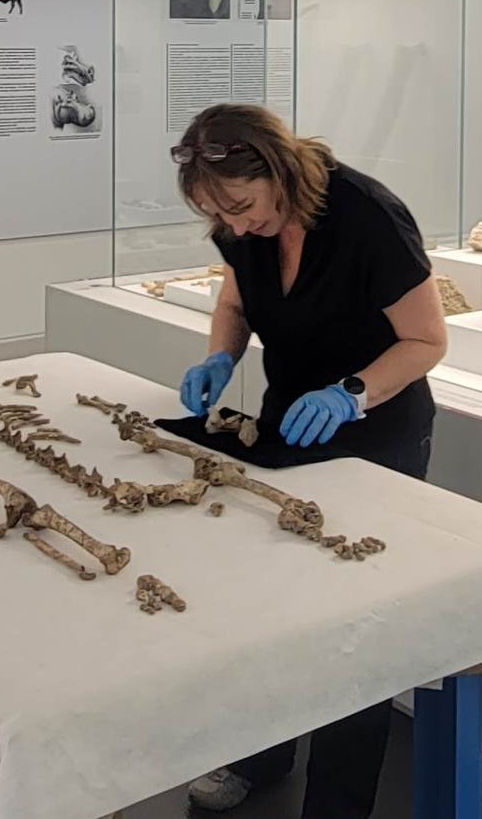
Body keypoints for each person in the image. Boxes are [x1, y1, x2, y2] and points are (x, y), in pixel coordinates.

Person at [173, 103, 446, 819]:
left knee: (354, 626)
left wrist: (352, 393)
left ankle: (338, 802)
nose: (234, 225)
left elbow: (425, 341)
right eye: (219, 214)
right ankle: (259, 754)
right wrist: (220, 356)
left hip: (376, 435)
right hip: (289, 427)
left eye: (241, 205)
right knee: (270, 605)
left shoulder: (366, 216)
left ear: (277, 169)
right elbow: (235, 300)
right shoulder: (244, 227)